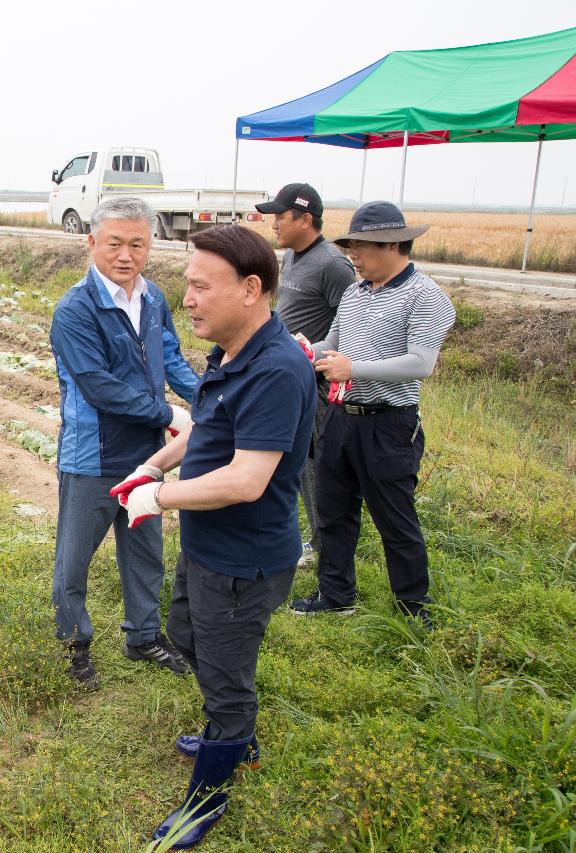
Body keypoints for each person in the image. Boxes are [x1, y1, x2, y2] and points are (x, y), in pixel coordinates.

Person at [111, 224, 316, 849]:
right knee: (183, 635)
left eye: (201, 286)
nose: (188, 299)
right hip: (208, 548)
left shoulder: (277, 370)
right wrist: (156, 465)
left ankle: (210, 793)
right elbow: (207, 430)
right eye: (187, 286)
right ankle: (236, 735)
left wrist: (159, 497)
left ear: (251, 289)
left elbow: (249, 478)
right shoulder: (231, 351)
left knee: (226, 684)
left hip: (244, 561)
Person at [48, 196, 199, 689]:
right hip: (91, 455)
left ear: (150, 246)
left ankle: (143, 637)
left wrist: (211, 396)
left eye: (137, 244)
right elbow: (99, 385)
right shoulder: (76, 309)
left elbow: (171, 358)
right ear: (92, 243)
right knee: (75, 558)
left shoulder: (152, 298)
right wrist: (171, 413)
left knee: (145, 550)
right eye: (114, 243)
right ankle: (75, 645)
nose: (125, 255)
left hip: (146, 454)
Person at [291, 202, 455, 628]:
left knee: (395, 518)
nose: (354, 257)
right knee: (333, 510)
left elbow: (421, 363)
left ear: (394, 245)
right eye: (351, 247)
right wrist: (308, 351)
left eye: (361, 247)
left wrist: (355, 368)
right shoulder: (354, 292)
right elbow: (334, 343)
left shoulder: (426, 296)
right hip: (341, 416)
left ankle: (414, 606)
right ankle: (335, 593)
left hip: (389, 423)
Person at [255, 183, 356, 569]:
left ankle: (322, 542)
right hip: (290, 377)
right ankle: (304, 532)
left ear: (305, 219)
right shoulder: (292, 257)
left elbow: (353, 323)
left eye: (280, 216)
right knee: (293, 460)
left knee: (316, 464)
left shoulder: (332, 265)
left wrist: (317, 353)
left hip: (318, 382)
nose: (274, 224)